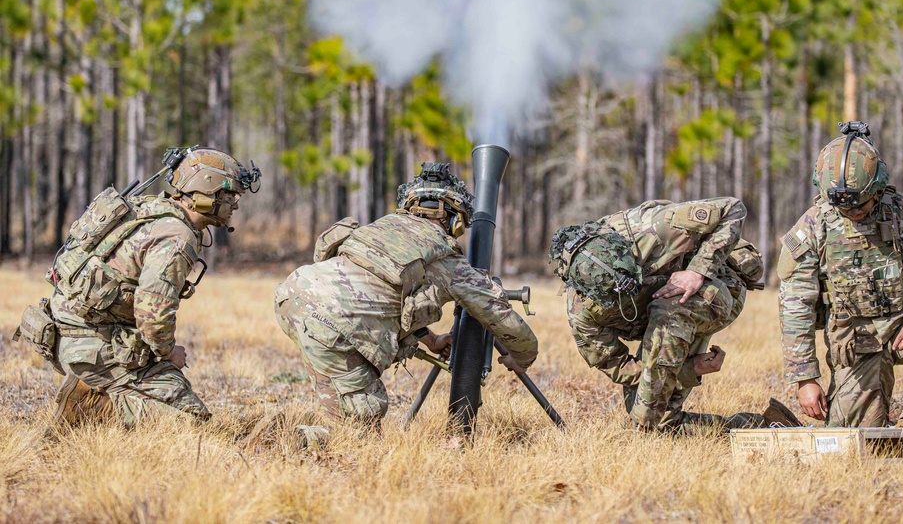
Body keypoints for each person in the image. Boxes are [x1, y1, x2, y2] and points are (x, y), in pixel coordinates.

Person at [274, 163, 538, 427]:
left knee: (339, 414)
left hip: (294, 298)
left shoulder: (382, 227)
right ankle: (289, 438)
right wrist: (522, 356)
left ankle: (283, 433)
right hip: (337, 326)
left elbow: (388, 297)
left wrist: (431, 339)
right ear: (454, 220)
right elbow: (496, 311)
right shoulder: (446, 258)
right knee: (359, 431)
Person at [777, 121, 903, 427]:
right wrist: (805, 378)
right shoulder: (814, 227)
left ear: (878, 188)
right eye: (844, 208)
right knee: (857, 438)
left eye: (861, 204)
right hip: (855, 340)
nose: (854, 212)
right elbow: (795, 306)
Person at [45, 147, 260, 425]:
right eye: (230, 196)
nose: (235, 205)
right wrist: (169, 352)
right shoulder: (176, 235)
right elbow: (153, 315)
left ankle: (97, 388)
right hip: (89, 346)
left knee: (175, 389)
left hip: (62, 332)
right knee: (189, 423)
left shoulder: (149, 209)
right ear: (206, 194)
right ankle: (91, 404)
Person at [550, 197, 766, 432]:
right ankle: (758, 427)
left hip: (716, 288)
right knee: (656, 418)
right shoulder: (582, 314)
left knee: (666, 315)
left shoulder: (654, 229)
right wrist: (687, 370)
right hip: (661, 325)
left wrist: (697, 270)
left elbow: (732, 207)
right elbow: (619, 365)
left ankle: (645, 428)